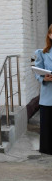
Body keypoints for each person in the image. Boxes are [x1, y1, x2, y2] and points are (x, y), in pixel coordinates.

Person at [34, 24, 52, 155]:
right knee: (47, 125)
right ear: (49, 35)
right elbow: (36, 71)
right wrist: (43, 79)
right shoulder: (43, 53)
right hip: (48, 95)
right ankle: (47, 149)